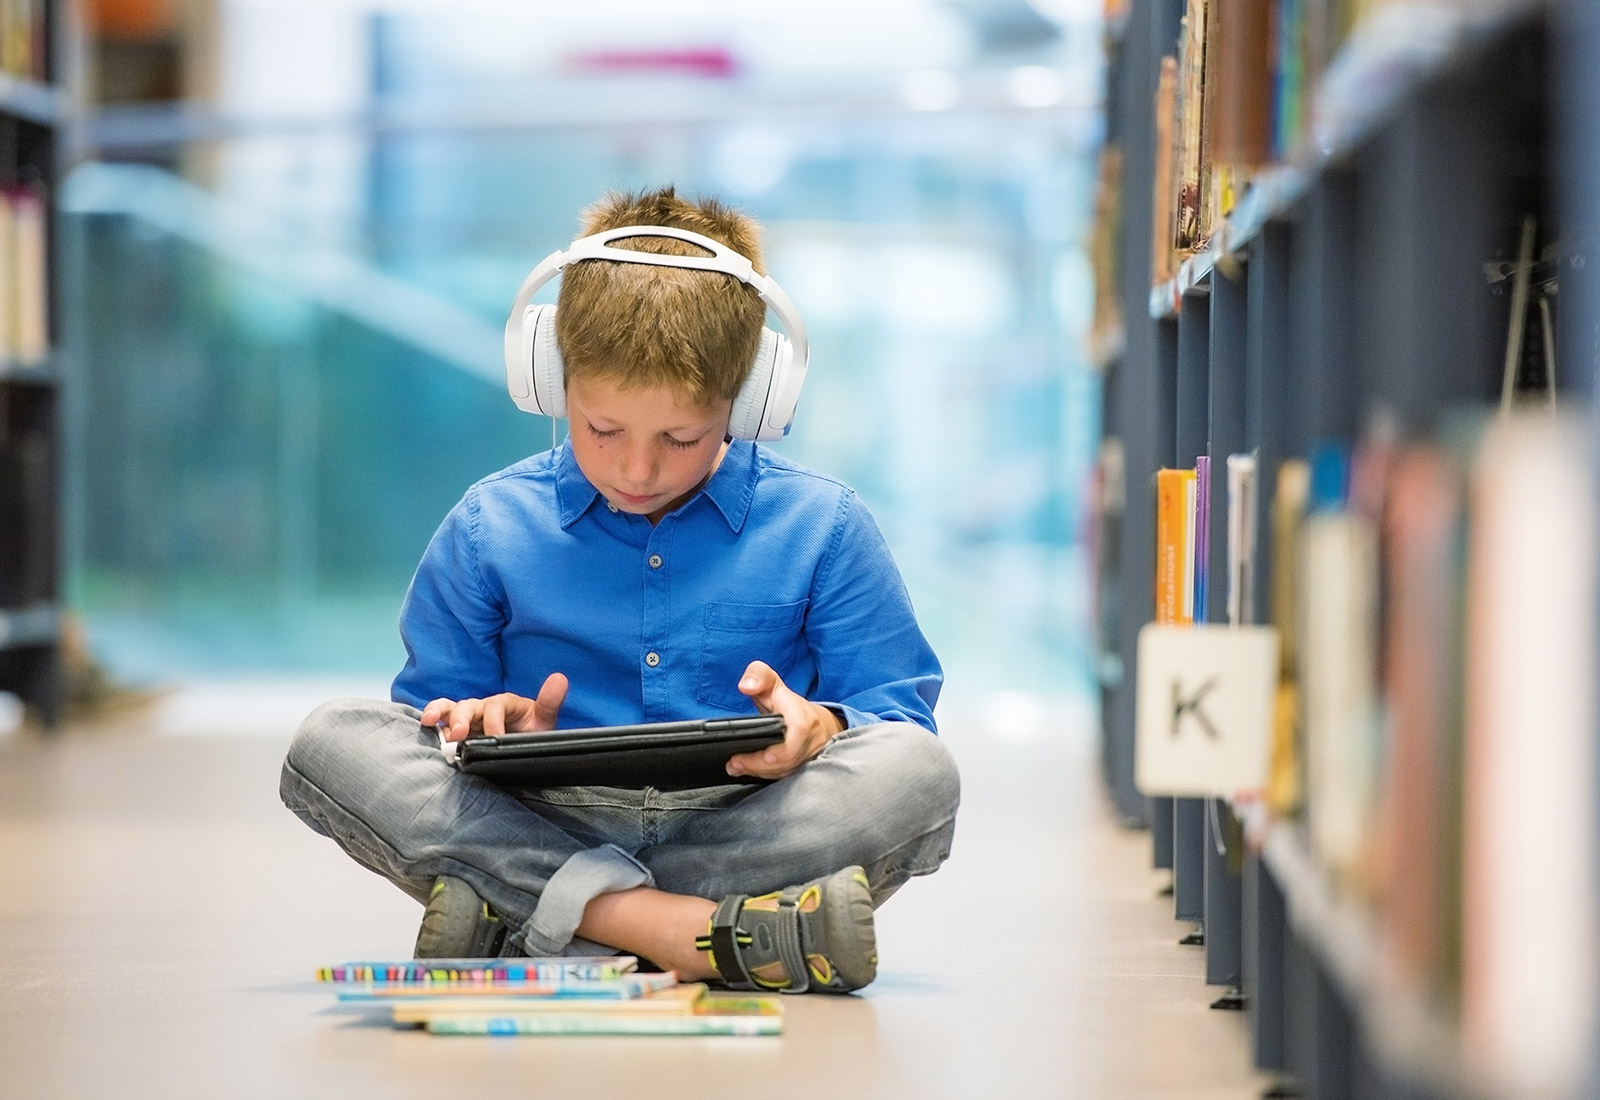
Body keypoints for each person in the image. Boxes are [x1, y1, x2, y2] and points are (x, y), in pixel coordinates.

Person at [279, 186, 960, 994]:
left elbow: (898, 714)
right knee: (332, 739)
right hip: (541, 816)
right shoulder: (487, 526)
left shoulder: (826, 525)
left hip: (745, 821)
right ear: (549, 379)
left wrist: (821, 726)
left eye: (681, 437)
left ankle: (541, 916)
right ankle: (701, 931)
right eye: (602, 429)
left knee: (919, 770)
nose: (637, 469)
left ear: (750, 400)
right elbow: (431, 723)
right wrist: (487, 722)